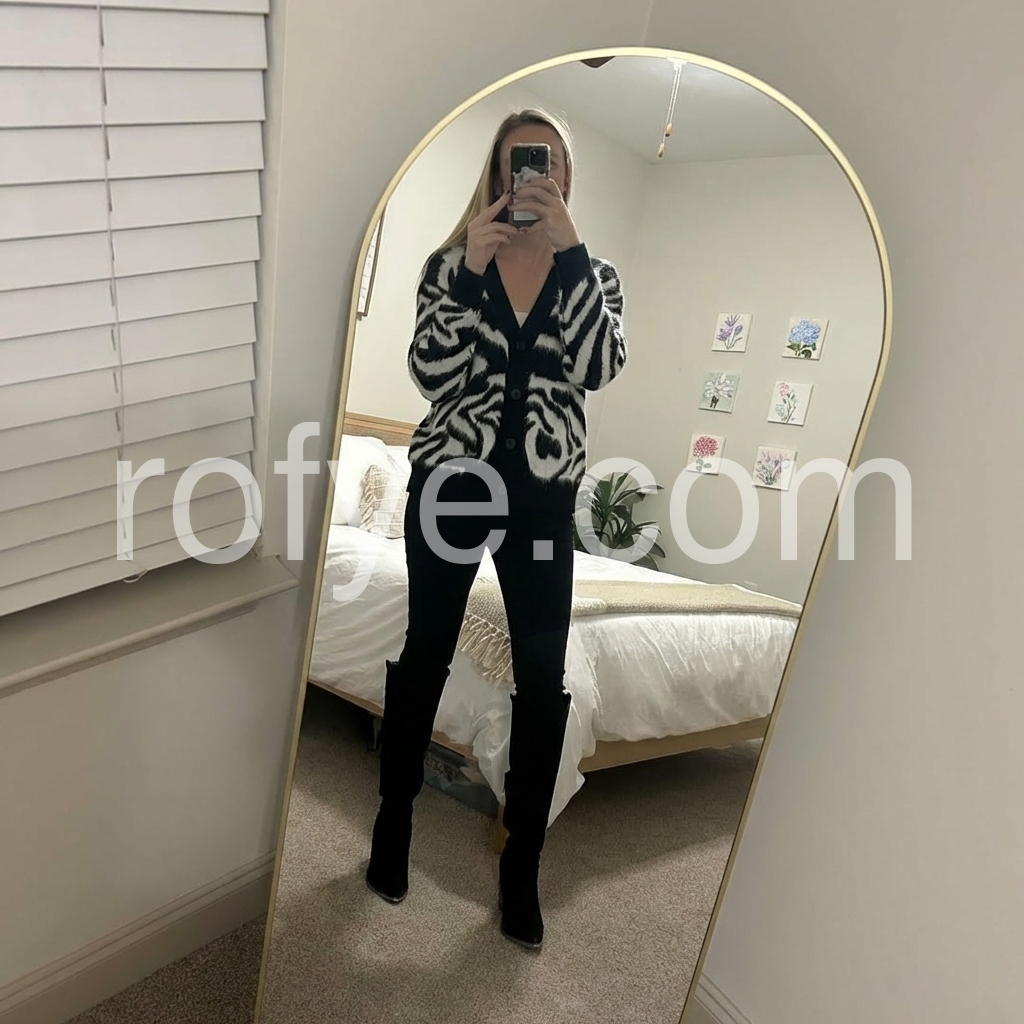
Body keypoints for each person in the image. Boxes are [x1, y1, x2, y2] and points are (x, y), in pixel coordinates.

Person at [365, 108, 627, 950]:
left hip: (543, 502)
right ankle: (393, 824)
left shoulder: (594, 274)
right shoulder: (452, 264)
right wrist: (473, 273)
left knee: (543, 681)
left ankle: (523, 866)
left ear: (563, 176)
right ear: (496, 172)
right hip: (452, 485)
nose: (532, 175)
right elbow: (430, 375)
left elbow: (598, 367)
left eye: (545, 164)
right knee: (425, 655)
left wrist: (571, 252)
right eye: (519, 162)